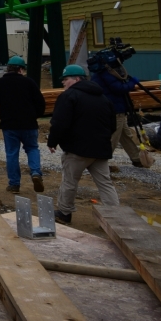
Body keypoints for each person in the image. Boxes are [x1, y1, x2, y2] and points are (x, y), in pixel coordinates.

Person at [47, 64, 119, 224]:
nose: (63, 83)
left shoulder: (69, 96)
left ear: (77, 79)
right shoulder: (103, 98)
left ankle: (64, 213)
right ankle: (115, 217)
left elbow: (59, 123)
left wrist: (52, 141)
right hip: (100, 150)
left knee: (70, 181)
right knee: (105, 184)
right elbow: (112, 125)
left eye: (66, 79)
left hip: (76, 150)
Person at [0, 56, 46, 194]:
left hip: (9, 125)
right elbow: (41, 104)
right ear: (21, 69)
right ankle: (36, 173)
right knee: (32, 148)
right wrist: (34, 116)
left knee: (12, 154)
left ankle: (14, 185)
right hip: (29, 124)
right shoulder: (29, 83)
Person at [91, 64, 145, 168]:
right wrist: (132, 82)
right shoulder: (107, 73)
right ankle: (99, 162)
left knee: (125, 135)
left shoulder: (100, 72)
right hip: (115, 110)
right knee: (113, 137)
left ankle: (137, 158)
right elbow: (119, 88)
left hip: (113, 108)